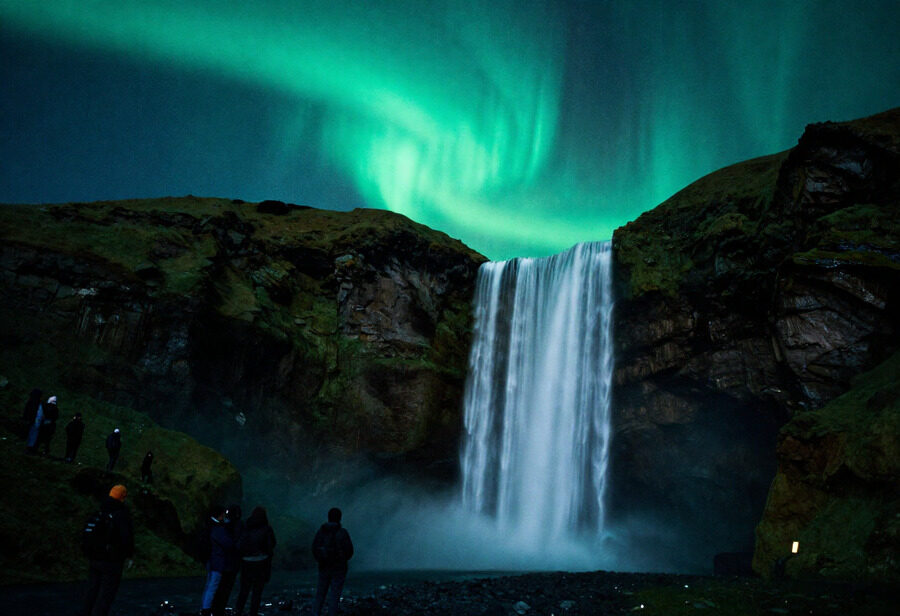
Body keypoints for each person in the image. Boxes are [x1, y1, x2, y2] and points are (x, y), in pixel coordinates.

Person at [80, 484, 134, 616]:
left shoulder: (101, 510)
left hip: (95, 557)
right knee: (106, 595)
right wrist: (129, 555)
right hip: (112, 560)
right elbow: (126, 537)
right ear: (123, 497)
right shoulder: (121, 513)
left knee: (91, 591)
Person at [311, 507, 354, 616]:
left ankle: (315, 613)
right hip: (339, 568)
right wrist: (343, 560)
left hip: (324, 566)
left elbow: (314, 548)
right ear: (339, 518)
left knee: (320, 593)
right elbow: (349, 550)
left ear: (328, 517)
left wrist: (320, 560)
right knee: (335, 595)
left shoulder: (321, 532)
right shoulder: (342, 533)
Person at [235, 506, 277, 616]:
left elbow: (239, 544)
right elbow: (271, 544)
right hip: (261, 562)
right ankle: (253, 612)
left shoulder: (246, 526)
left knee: (244, 590)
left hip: (246, 562)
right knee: (257, 591)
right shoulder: (266, 528)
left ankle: (238, 611)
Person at [211, 504, 242, 616]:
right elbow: (233, 544)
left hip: (223, 561)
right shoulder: (238, 525)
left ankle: (215, 609)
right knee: (226, 587)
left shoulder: (223, 526)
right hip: (231, 562)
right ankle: (219, 609)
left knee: (220, 587)